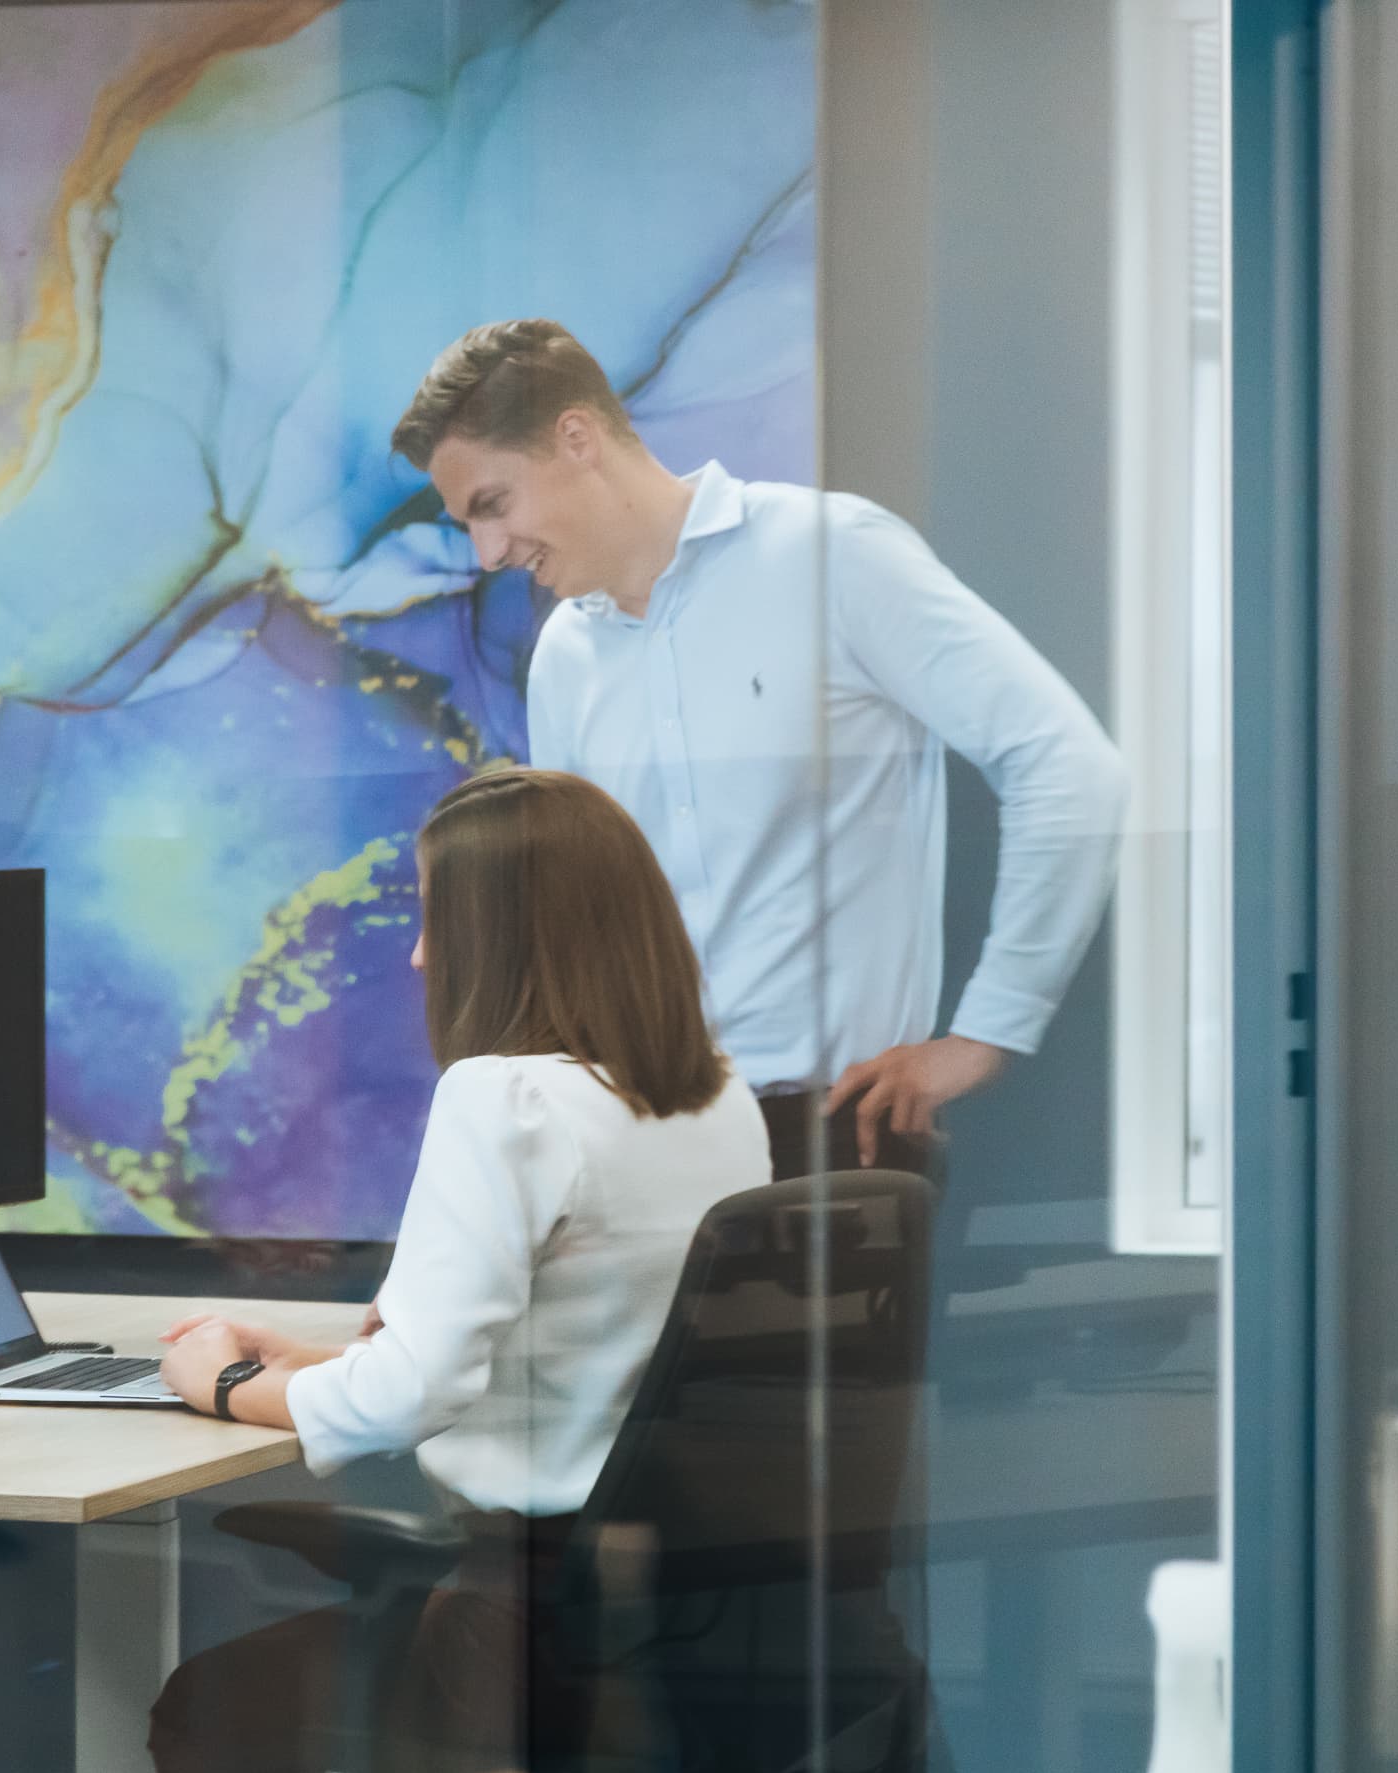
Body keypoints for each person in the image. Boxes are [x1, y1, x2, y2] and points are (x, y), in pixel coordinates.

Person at [147, 767, 770, 1773]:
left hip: (518, 1632)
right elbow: (580, 1329)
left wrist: (223, 1381)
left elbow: (409, 1398)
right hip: (674, 1616)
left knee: (206, 1710)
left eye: (439, 918)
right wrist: (320, 1355)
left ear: (507, 933)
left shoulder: (504, 1096)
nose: (424, 957)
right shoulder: (716, 1098)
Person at [392, 320, 1129, 1177]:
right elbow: (574, 928)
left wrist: (987, 1033)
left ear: (577, 438)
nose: (487, 554)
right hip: (636, 1153)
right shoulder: (563, 658)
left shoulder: (831, 556)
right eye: (467, 525)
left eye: (493, 505)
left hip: (838, 1140)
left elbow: (1070, 767)